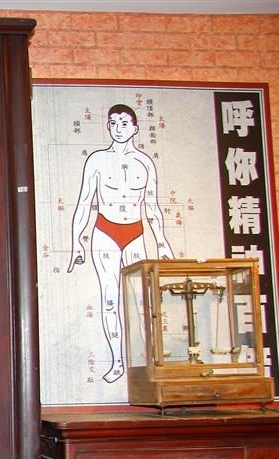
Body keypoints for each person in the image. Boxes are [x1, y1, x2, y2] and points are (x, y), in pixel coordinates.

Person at [67, 104, 173, 383]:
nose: (118, 128)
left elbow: (152, 206)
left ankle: (149, 361)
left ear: (135, 128)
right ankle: (117, 362)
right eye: (113, 123)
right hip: (105, 232)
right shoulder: (97, 161)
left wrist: (162, 242)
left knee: (142, 300)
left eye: (124, 123)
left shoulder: (145, 163)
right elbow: (84, 203)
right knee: (110, 299)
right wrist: (77, 241)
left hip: (135, 233)